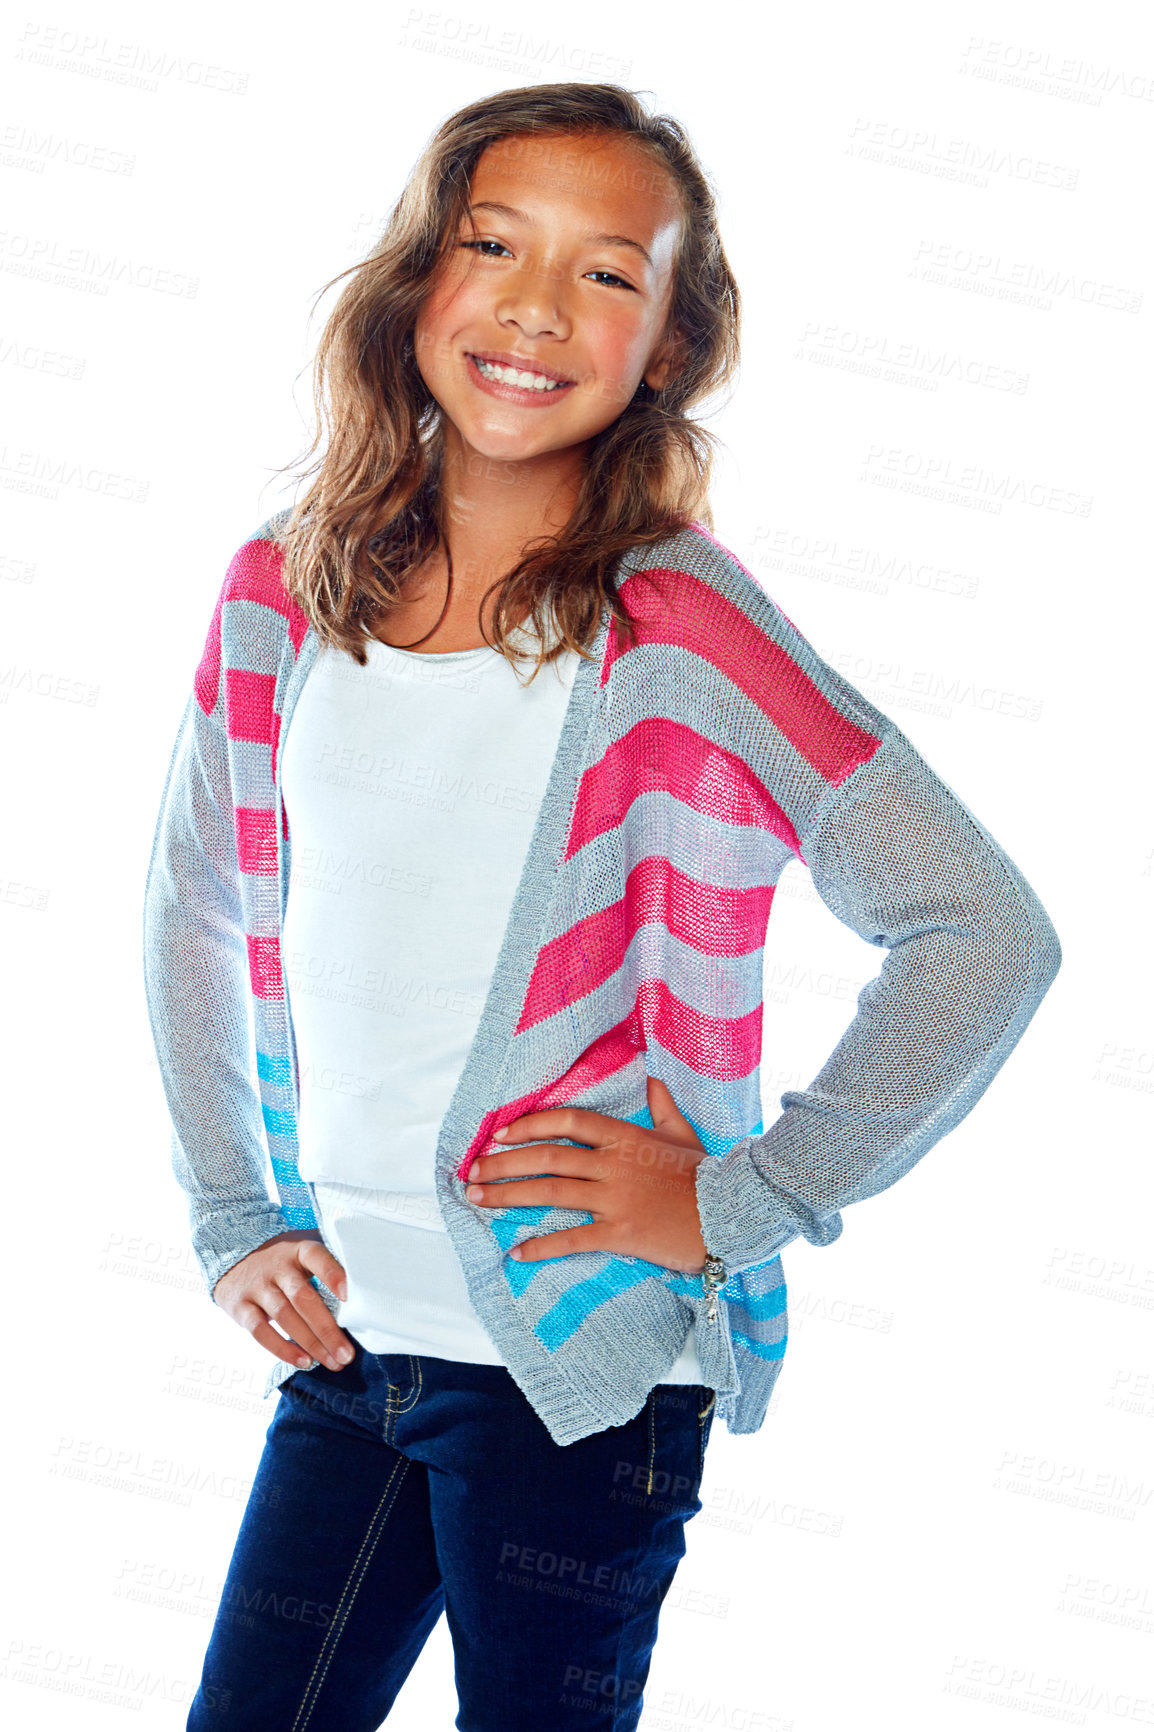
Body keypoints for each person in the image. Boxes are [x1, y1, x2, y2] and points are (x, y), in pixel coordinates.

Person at [142, 82, 1061, 1732]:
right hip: (348, 1346)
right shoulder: (286, 590)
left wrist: (748, 1196)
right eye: (494, 244)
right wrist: (233, 1210)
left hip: (579, 1372)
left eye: (607, 273)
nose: (534, 308)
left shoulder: (683, 627)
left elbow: (979, 929)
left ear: (670, 343)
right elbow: (194, 909)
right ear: (417, 277)